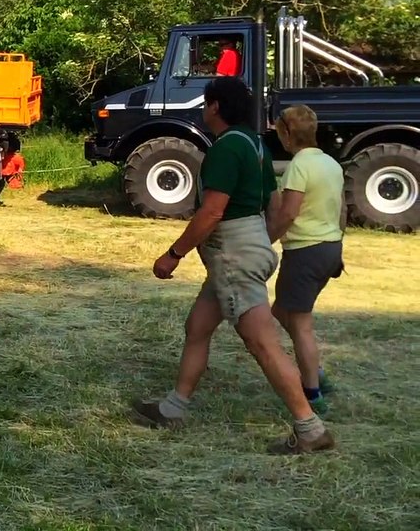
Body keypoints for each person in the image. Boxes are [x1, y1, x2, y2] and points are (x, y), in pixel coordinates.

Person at [130, 76, 334, 454]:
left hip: (231, 254)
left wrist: (173, 254)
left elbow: (212, 212)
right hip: (243, 247)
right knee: (198, 327)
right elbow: (274, 206)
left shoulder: (226, 147)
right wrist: (259, 245)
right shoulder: (256, 144)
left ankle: (309, 428)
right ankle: (173, 409)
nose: (203, 109)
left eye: (205, 103)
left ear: (215, 107)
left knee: (262, 343)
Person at [266, 104, 345, 416]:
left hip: (305, 250)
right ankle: (315, 371)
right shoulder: (331, 164)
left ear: (287, 134)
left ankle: (313, 393)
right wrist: (337, 246)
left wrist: (264, 241)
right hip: (329, 247)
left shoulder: (299, 166)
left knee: (300, 325)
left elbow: (288, 213)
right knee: (280, 310)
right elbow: (342, 211)